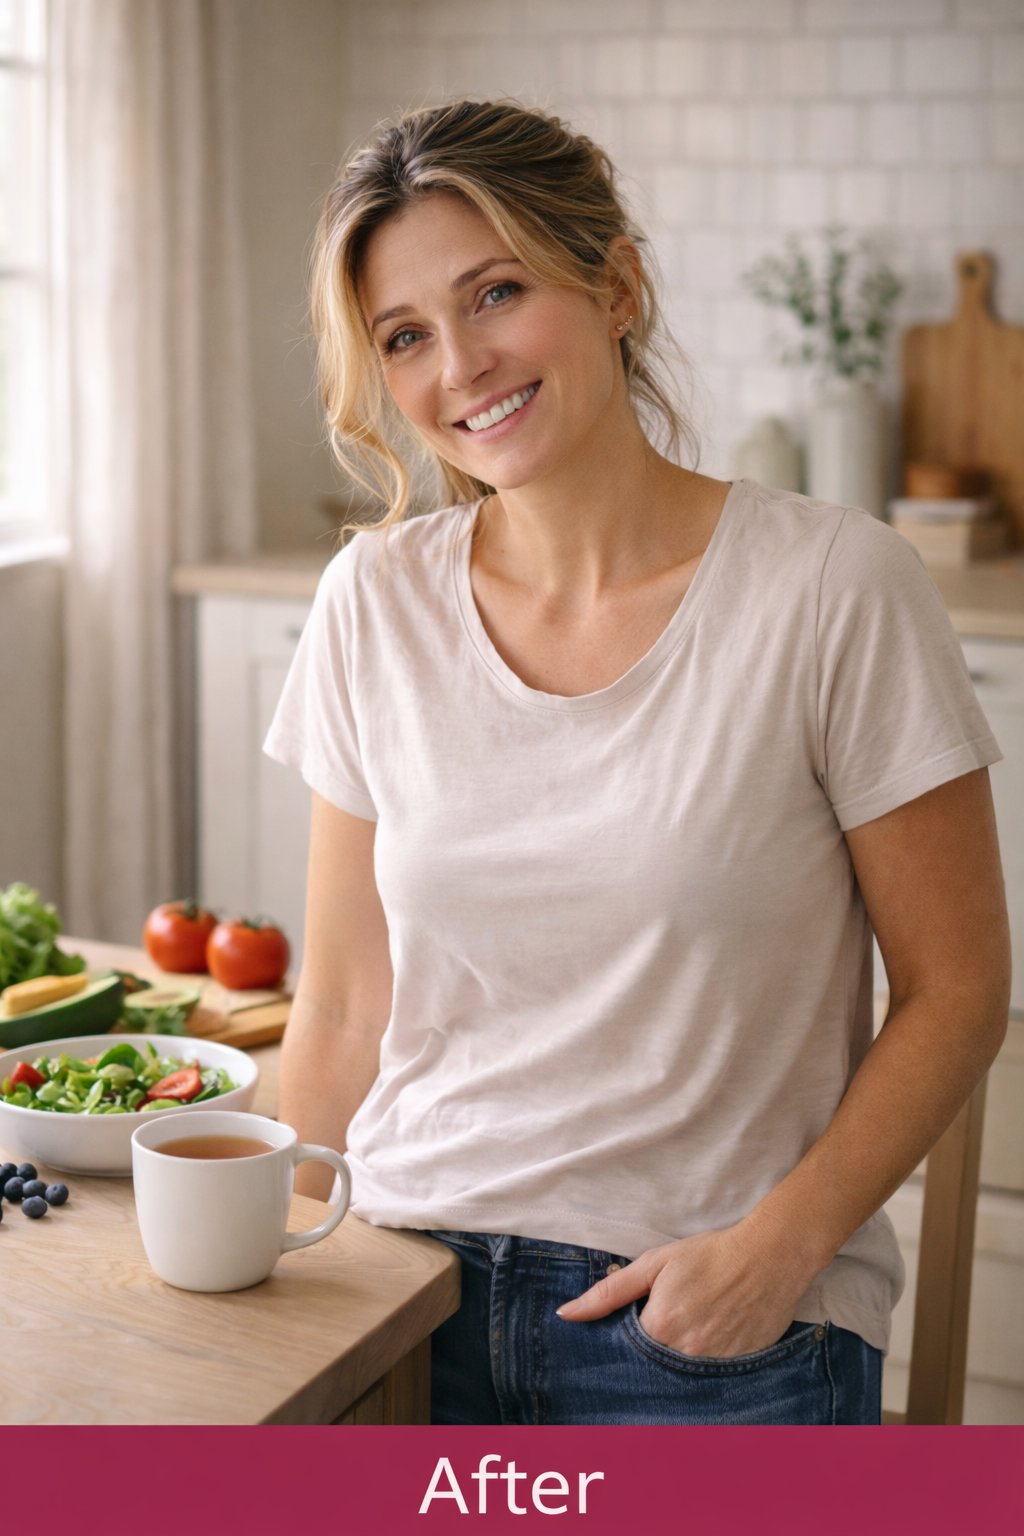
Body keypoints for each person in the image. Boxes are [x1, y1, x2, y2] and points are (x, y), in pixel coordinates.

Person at [265, 101, 1010, 1426]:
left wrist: (775, 1255)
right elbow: (337, 1009)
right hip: (397, 1280)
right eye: (406, 337)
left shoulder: (833, 586)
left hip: (708, 1322)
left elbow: (957, 986)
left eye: (497, 292)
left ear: (615, 281)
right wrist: (290, 1267)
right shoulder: (371, 599)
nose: (463, 364)